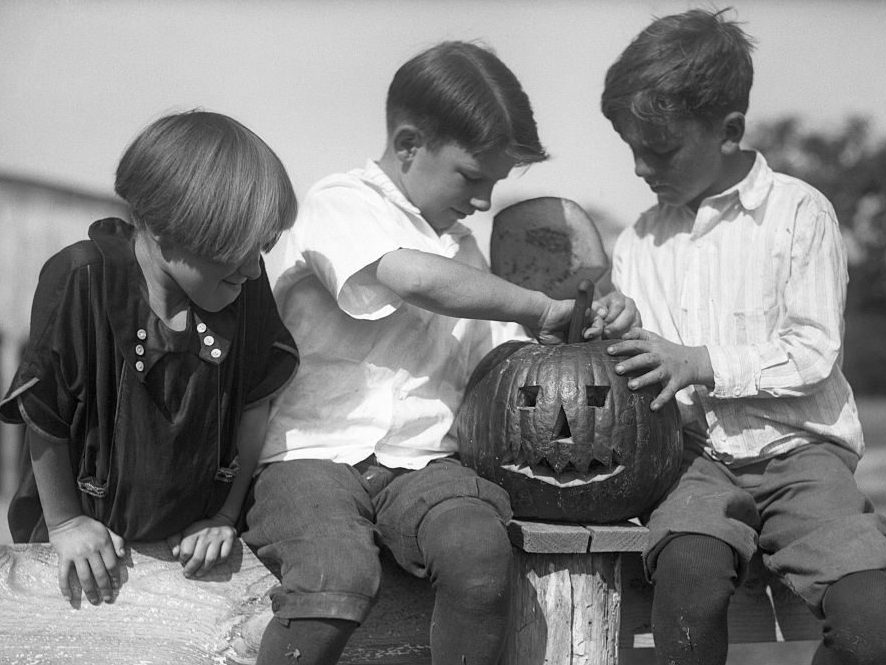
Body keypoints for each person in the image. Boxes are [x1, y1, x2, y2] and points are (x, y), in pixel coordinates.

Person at [246, 41, 637, 665]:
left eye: (497, 184)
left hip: (421, 463)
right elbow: (411, 278)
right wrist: (536, 304)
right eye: (472, 176)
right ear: (408, 145)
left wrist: (592, 324)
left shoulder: (463, 250)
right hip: (311, 455)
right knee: (335, 578)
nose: (484, 201)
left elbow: (509, 364)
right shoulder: (339, 203)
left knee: (481, 557)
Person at [599, 9, 886, 665]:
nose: (638, 167)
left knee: (870, 616)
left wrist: (700, 361)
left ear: (729, 131)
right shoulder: (638, 241)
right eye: (630, 148)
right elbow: (642, 371)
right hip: (694, 461)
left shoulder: (801, 214)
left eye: (657, 149)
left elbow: (813, 348)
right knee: (687, 578)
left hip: (804, 457)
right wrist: (616, 331)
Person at [1, 110, 299, 607]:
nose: (252, 267)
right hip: (87, 547)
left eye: (263, 247)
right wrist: (68, 523)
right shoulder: (83, 279)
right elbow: (44, 413)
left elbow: (254, 404)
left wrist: (224, 517)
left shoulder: (246, 290)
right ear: (166, 228)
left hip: (192, 553)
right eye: (237, 250)